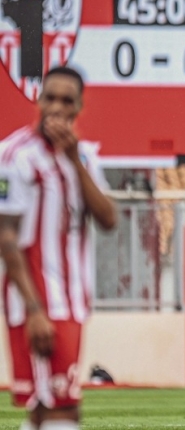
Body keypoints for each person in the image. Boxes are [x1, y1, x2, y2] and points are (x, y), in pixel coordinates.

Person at [0, 66, 117, 430]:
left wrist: (73, 159)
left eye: (67, 101)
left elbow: (109, 218)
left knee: (44, 410)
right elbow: (6, 237)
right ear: (39, 99)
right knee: (63, 411)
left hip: (73, 300)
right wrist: (34, 309)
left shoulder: (83, 158)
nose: (56, 107)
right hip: (38, 301)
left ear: (79, 107)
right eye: (50, 97)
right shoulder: (14, 155)